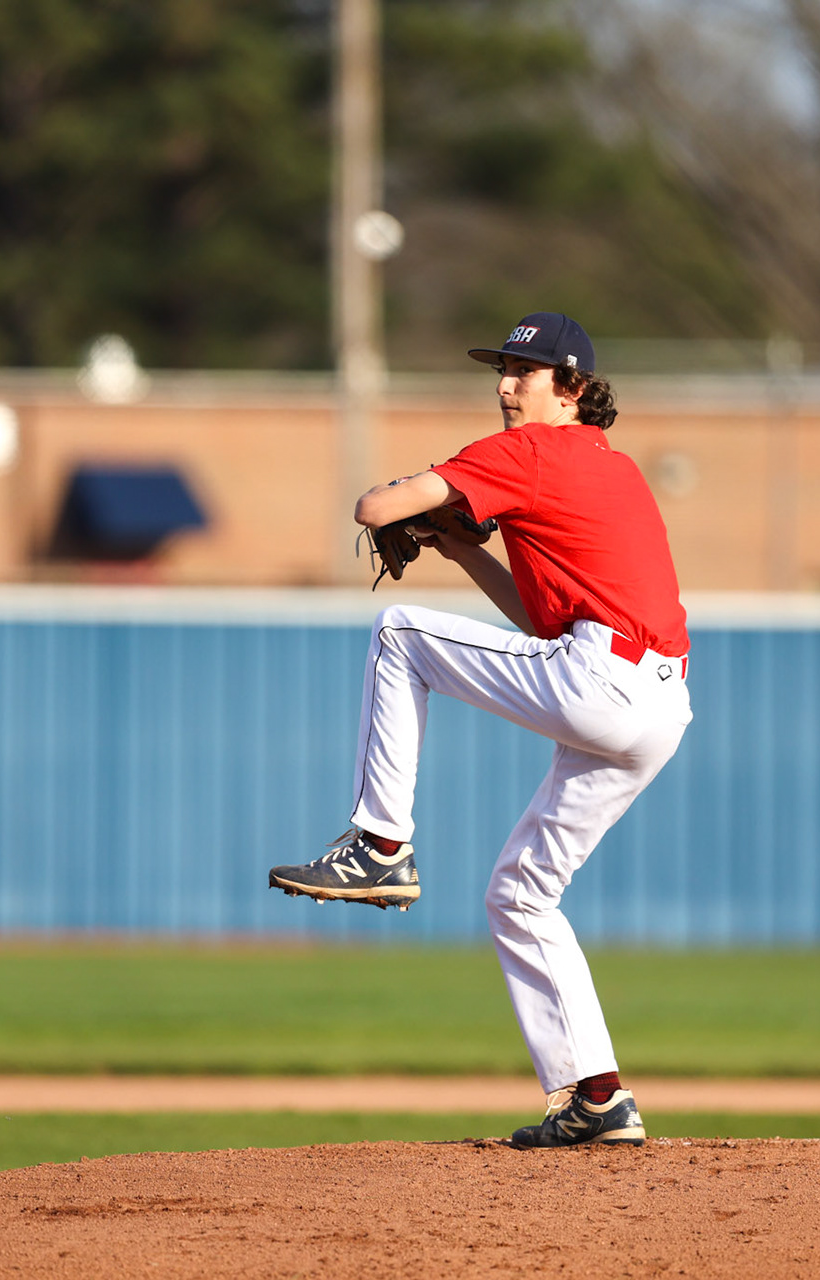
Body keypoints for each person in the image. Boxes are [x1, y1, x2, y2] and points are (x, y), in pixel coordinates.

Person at [268, 312, 692, 1148]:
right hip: (656, 704)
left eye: (525, 372)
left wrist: (411, 507)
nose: (505, 385)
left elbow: (373, 504)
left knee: (399, 632)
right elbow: (542, 627)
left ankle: (381, 845)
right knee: (521, 894)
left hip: (601, 679)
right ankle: (597, 1097)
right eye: (502, 369)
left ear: (571, 390)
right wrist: (464, 551)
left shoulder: (527, 451)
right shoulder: (612, 468)